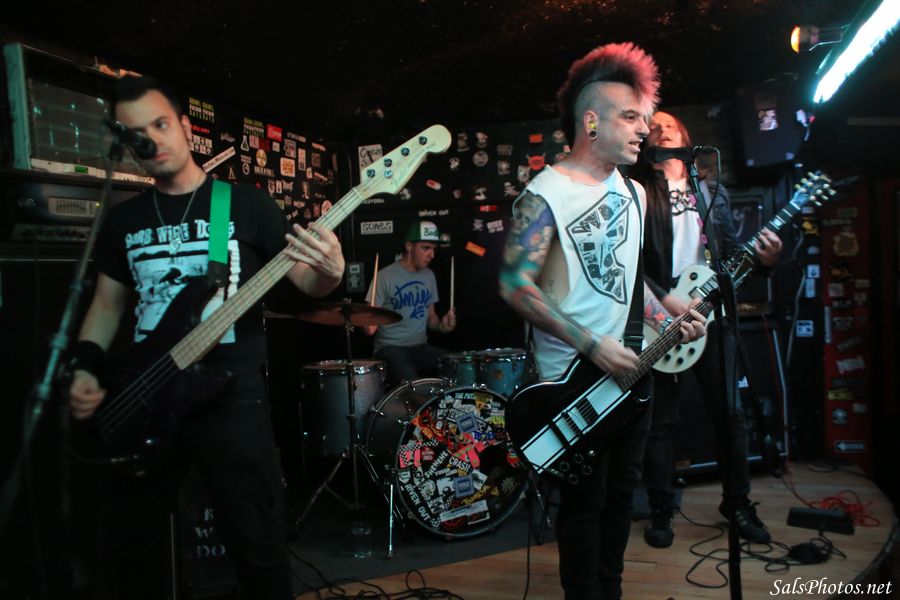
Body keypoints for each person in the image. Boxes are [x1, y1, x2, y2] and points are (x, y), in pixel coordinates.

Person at [67, 75, 345, 599]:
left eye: (160, 124)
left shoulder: (246, 205)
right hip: (144, 392)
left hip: (231, 396)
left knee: (256, 542)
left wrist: (331, 271)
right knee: (136, 546)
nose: (152, 140)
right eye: (137, 134)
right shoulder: (123, 220)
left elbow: (307, 283)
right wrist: (84, 365)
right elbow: (106, 304)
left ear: (185, 126)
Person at [498, 43, 706, 600]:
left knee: (621, 496)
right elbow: (514, 285)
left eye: (645, 118)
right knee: (585, 503)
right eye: (631, 117)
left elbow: (629, 281)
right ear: (591, 123)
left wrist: (668, 314)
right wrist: (591, 345)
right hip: (573, 382)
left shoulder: (635, 193)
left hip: (632, 373)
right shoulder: (545, 194)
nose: (644, 130)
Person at [636, 110, 783, 548]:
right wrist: (662, 302)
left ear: (685, 135)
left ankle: (737, 504)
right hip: (659, 317)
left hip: (711, 316)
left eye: (669, 124)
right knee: (660, 424)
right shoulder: (638, 191)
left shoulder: (712, 192)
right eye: (653, 126)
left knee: (731, 417)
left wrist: (765, 261)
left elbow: (732, 254)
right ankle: (661, 508)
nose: (661, 129)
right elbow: (630, 263)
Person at [364, 220, 456, 386]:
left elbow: (431, 318)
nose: (432, 255)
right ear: (409, 246)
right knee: (413, 385)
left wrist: (442, 326)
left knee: (455, 364)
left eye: (434, 249)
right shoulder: (385, 277)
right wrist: (367, 325)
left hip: (420, 348)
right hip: (390, 349)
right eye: (426, 248)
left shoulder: (429, 275)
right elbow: (368, 321)